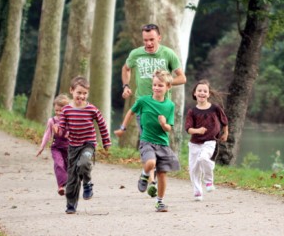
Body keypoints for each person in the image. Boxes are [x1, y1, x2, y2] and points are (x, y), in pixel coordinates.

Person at [121, 23, 186, 197]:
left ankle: (146, 174)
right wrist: (126, 86)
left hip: (163, 108)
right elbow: (126, 68)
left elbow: (182, 77)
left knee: (160, 144)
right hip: (144, 107)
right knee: (148, 139)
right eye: (145, 40)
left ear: (159, 37)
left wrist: (166, 83)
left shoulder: (168, 54)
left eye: (151, 39)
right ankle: (152, 180)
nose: (148, 43)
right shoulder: (136, 54)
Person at [115, 69, 180, 212]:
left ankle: (160, 201)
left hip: (162, 143)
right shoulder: (143, 101)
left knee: (162, 174)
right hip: (147, 141)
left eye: (160, 85)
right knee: (151, 163)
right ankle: (144, 175)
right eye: (155, 85)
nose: (157, 88)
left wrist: (164, 124)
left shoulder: (170, 105)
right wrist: (122, 128)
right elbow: (131, 112)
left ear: (168, 87)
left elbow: (169, 128)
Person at [57, 76, 111, 214]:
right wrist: (59, 131)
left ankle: (87, 183)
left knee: (84, 164)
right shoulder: (66, 110)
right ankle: (71, 204)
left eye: (84, 93)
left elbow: (102, 124)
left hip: (88, 144)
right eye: (79, 93)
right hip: (73, 146)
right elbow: (62, 128)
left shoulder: (92, 109)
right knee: (72, 177)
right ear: (71, 91)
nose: (81, 96)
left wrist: (106, 141)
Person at [185, 79, 228, 201]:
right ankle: (197, 191)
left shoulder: (215, 108)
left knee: (204, 158)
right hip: (195, 143)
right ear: (194, 93)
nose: (202, 93)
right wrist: (197, 131)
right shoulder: (192, 111)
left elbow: (224, 121)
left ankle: (209, 182)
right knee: (194, 169)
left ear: (209, 94)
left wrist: (225, 133)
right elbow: (188, 129)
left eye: (205, 91)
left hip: (210, 141)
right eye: (199, 90)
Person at [36, 94, 70, 196]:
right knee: (59, 164)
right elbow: (47, 134)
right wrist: (42, 146)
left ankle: (69, 184)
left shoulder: (70, 120)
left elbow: (74, 133)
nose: (59, 113)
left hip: (69, 148)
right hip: (57, 148)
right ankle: (61, 186)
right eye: (56, 110)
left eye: (61, 110)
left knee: (68, 168)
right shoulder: (52, 121)